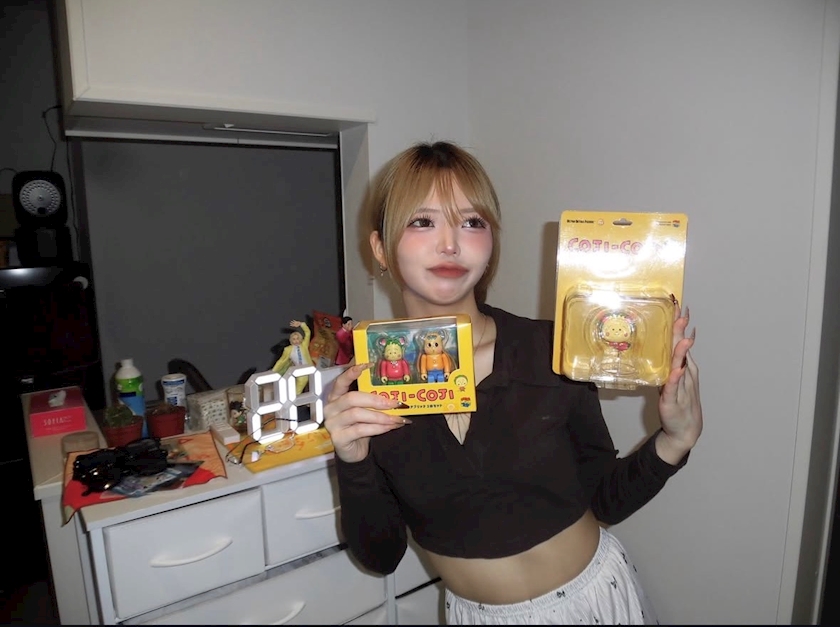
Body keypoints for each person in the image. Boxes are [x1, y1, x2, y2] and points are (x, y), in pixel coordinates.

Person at [323, 141, 702, 625]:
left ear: (491, 243)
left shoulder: (550, 350)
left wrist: (675, 439)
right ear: (379, 248)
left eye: (471, 222)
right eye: (422, 221)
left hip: (596, 602)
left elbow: (604, 499)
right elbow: (380, 556)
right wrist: (352, 461)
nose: (450, 244)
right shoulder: (370, 393)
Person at [272, 319, 314, 395]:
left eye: (297, 338)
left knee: (315, 384)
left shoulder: (304, 345)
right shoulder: (288, 349)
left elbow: (308, 333)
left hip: (310, 368)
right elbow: (281, 361)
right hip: (300, 371)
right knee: (300, 385)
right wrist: (273, 371)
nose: (296, 341)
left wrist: (301, 324)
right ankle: (294, 397)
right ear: (291, 340)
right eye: (294, 339)